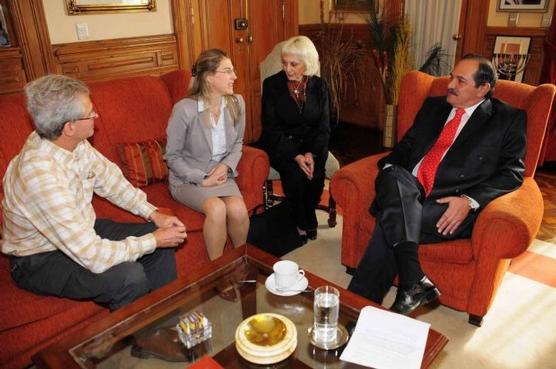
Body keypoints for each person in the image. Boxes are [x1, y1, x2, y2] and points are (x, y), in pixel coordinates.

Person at [348, 54, 527, 315]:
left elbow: (513, 173)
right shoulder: (434, 106)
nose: (450, 84)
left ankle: (354, 311)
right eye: (452, 76)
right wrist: (389, 170)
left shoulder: (507, 119)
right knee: (392, 174)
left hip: (446, 204)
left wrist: (470, 201)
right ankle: (411, 283)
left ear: (483, 89)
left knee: (391, 224)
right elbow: (406, 147)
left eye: (460, 80)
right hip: (406, 187)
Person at [1, 74, 187, 312]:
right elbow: (93, 256)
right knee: (128, 276)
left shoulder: (69, 142)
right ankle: (132, 342)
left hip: (79, 230)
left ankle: (166, 320)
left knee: (162, 237)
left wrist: (153, 214)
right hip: (40, 258)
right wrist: (152, 241)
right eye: (90, 113)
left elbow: (111, 181)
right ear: (69, 127)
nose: (96, 116)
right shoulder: (40, 176)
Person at [165, 49, 249, 262]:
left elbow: (238, 143)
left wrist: (226, 167)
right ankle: (218, 272)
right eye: (228, 71)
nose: (235, 77)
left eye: (233, 71)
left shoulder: (236, 102)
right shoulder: (185, 109)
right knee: (217, 209)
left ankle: (241, 262)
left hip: (220, 173)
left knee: (238, 209)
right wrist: (202, 179)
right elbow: (172, 157)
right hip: (188, 178)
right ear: (209, 77)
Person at [259, 35, 331, 242]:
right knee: (296, 176)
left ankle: (306, 214)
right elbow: (270, 128)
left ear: (307, 64)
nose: (287, 69)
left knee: (316, 176)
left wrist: (310, 153)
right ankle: (303, 219)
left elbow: (324, 127)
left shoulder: (320, 86)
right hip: (281, 144)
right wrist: (296, 156)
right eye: (284, 63)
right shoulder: (272, 85)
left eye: (293, 64)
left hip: (312, 144)